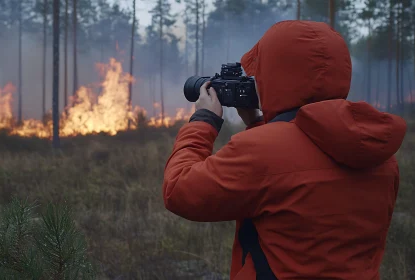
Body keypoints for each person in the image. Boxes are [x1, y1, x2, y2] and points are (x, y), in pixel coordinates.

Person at [162, 20, 407, 279]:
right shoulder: (380, 154)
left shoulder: (261, 152)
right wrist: (259, 124)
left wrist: (204, 120)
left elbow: (179, 190)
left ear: (277, 75)